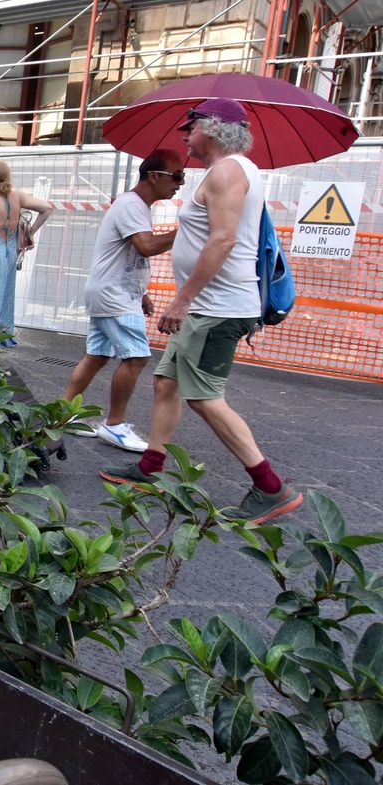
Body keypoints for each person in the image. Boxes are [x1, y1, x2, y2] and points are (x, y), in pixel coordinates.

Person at [100, 98, 303, 525]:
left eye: (189, 127)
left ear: (211, 128)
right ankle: (149, 468)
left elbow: (223, 241)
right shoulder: (228, 171)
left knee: (205, 397)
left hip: (216, 307)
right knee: (165, 383)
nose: (184, 135)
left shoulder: (229, 171)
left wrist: (183, 299)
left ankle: (270, 486)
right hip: (211, 306)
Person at [63, 150, 183, 453]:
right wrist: (184, 232)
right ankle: (114, 425)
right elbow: (144, 246)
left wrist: (141, 292)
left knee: (97, 356)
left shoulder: (136, 206)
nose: (180, 184)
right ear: (154, 176)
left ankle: (61, 415)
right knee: (137, 357)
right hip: (114, 295)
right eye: (177, 176)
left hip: (114, 292)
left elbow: (125, 253)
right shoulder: (132, 205)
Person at [0, 159, 54, 347]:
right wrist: (30, 233)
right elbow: (46, 208)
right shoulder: (17, 196)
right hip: (8, 255)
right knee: (3, 297)